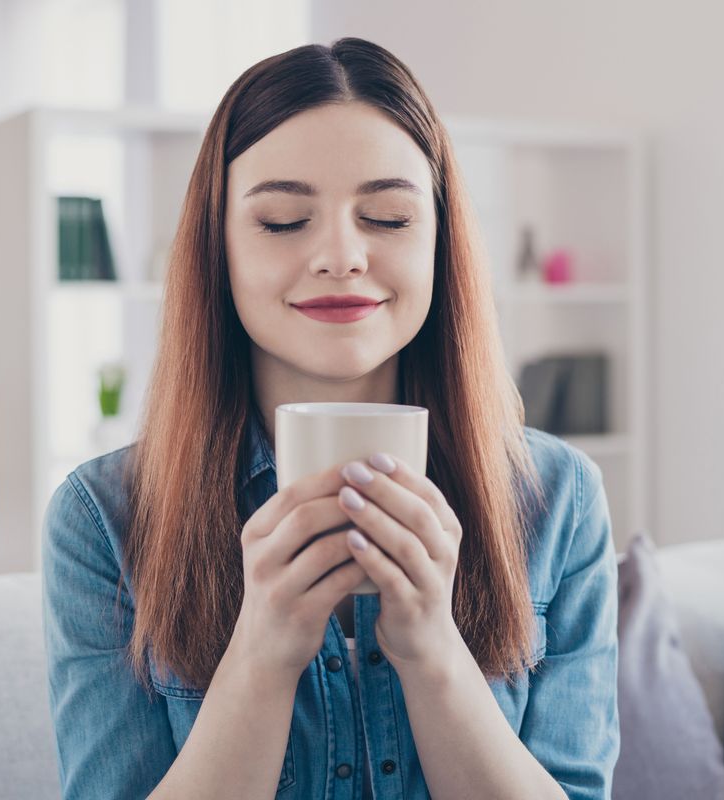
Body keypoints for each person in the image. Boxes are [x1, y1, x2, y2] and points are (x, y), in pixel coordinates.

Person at [42, 37, 619, 800]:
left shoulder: (557, 499)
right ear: (218, 249)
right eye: (282, 221)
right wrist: (263, 655)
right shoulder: (104, 519)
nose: (342, 255)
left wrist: (432, 654)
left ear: (441, 242)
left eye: (386, 217)